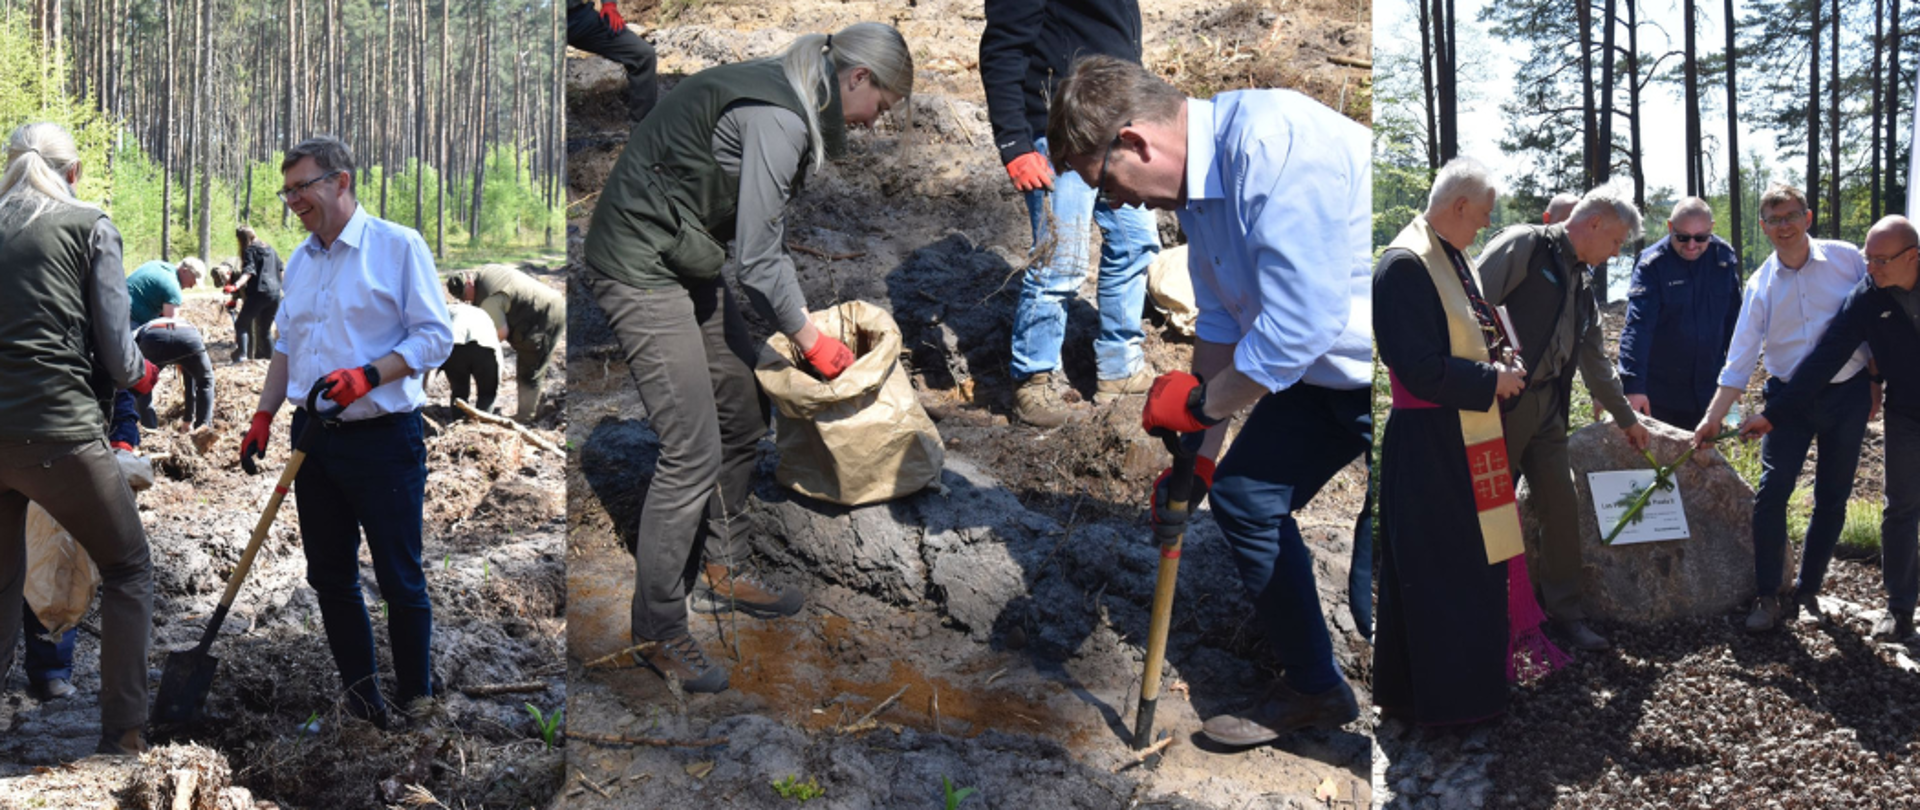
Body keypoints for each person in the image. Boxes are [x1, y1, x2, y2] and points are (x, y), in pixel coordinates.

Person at [1045, 54, 1370, 746]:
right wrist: (1200, 461)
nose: (1117, 204)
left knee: (1381, 589)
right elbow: (1222, 322)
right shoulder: (1198, 190)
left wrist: (1200, 407)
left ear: (1134, 142)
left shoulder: (1274, 149)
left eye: (1107, 185)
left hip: (1399, 382)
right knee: (1245, 500)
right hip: (1322, 378)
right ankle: (1316, 689)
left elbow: (1302, 324)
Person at [582, 23, 913, 693]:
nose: (874, 123)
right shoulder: (782, 117)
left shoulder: (797, 92)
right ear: (857, 78)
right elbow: (759, 261)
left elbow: (761, 238)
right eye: (880, 106)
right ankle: (658, 630)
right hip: (639, 261)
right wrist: (810, 340)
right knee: (690, 449)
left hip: (685, 253)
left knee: (741, 408)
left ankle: (722, 569)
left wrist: (799, 324)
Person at [238, 136, 452, 726]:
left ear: (341, 181)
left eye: (302, 187)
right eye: (286, 191)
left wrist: (370, 375)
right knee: (330, 576)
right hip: (313, 439)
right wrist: (264, 414)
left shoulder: (397, 246)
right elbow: (287, 345)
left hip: (382, 438)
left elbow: (435, 336)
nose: (292, 201)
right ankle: (363, 702)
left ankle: (417, 697)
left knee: (399, 577)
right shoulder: (302, 260)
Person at [0, 121, 160, 755]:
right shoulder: (88, 224)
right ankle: (123, 732)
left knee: (2, 580)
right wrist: (141, 372)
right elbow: (120, 358)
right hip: (58, 432)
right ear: (73, 172)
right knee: (128, 566)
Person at [1374, 157, 1553, 725]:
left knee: (1475, 566)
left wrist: (1502, 361)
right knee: (1439, 572)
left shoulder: (1451, 255)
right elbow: (1419, 368)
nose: (1485, 225)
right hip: (1428, 446)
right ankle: (1440, 705)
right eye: (1482, 215)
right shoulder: (1404, 266)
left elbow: (1475, 332)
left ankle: (1475, 692)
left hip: (1465, 436)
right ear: (1457, 206)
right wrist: (1491, 380)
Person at [1475, 186, 1653, 652]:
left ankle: (1565, 613)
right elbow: (1469, 308)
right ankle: (1478, 617)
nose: (1616, 253)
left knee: (1561, 505)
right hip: (1500, 406)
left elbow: (1595, 360)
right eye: (1616, 241)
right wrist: (1480, 379)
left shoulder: (1583, 281)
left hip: (1549, 410)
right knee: (1486, 511)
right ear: (1594, 224)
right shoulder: (1525, 245)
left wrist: (1627, 419)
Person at [1692, 183, 1874, 633]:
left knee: (1833, 496)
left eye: (1791, 216)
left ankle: (1809, 591)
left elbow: (1873, 318)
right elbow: (1739, 360)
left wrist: (1875, 382)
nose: (1784, 226)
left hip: (1847, 393)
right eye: (1774, 220)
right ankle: (1768, 594)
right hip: (1787, 399)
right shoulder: (1760, 285)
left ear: (1807, 217)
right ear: (1763, 226)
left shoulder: (1848, 259)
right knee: (1772, 493)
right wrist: (1713, 418)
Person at [1741, 215, 1920, 643]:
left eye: (1881, 260)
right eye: (1868, 258)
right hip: (1907, 413)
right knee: (1901, 507)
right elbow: (1826, 357)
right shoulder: (1867, 296)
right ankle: (1900, 610)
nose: (1870, 268)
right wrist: (1775, 414)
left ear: (1913, 257)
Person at [981, 0, 1161, 427]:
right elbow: (1003, 48)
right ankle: (1034, 379)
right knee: (1061, 261)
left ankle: (1120, 366)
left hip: (1117, 127)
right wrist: (1014, 143)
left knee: (1136, 244)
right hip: (1058, 129)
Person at [1616, 197, 1744, 429]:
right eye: (1683, 237)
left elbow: (1735, 324)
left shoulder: (1723, 259)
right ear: (1670, 227)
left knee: (1703, 452)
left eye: (1701, 238)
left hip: (1708, 390)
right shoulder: (1652, 264)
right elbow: (1638, 327)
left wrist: (1736, 379)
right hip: (1661, 393)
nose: (1692, 245)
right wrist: (1633, 386)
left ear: (1711, 229)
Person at [447, 266, 566, 421]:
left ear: (469, 282)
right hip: (542, 303)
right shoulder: (484, 273)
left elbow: (501, 333)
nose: (465, 300)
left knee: (530, 370)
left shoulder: (490, 299)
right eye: (461, 298)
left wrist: (478, 354)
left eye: (464, 295)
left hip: (544, 316)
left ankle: (526, 418)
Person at [567, 0, 659, 122]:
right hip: (543, 22)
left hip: (577, 17)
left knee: (643, 54)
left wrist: (609, 4)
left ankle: (643, 130)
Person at [134, 317, 216, 429]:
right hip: (188, 338)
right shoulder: (186, 323)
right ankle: (203, 429)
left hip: (154, 338)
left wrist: (188, 419)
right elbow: (191, 382)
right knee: (205, 382)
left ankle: (149, 427)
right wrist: (188, 419)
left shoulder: (141, 329)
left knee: (142, 383)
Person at [230, 225, 284, 361]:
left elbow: (248, 271)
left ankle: (242, 356)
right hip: (275, 294)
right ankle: (272, 361)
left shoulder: (250, 250)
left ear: (241, 239)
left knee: (241, 324)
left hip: (259, 293)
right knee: (265, 331)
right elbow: (281, 271)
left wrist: (235, 286)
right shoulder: (270, 249)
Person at [441, 300, 502, 413]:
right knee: (487, 393)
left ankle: (458, 420)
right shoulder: (481, 312)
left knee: (459, 391)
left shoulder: (444, 310)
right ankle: (484, 420)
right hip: (485, 347)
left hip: (456, 346)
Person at [125, 256, 202, 327]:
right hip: (129, 319)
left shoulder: (158, 265)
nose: (192, 286)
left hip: (119, 302)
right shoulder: (173, 287)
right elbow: (171, 326)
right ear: (184, 271)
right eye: (193, 280)